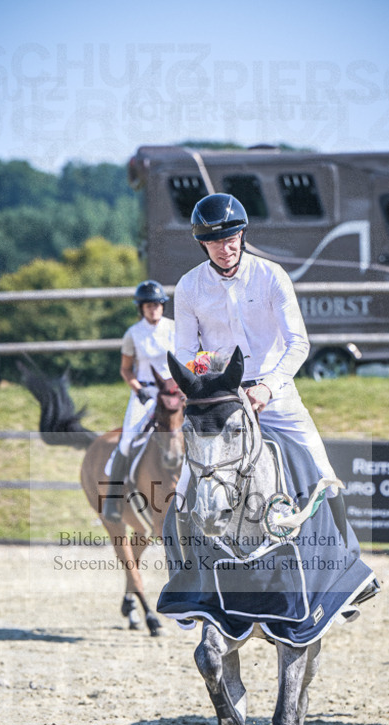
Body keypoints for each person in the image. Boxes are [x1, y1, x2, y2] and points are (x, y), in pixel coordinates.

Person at [173, 192, 343, 521]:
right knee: (183, 489)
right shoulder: (189, 286)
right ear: (203, 245)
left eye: (232, 238)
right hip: (222, 399)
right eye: (215, 242)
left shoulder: (271, 275)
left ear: (242, 235)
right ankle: (184, 565)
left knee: (325, 472)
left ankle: (346, 553)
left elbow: (298, 343)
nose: (226, 249)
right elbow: (184, 354)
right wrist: (220, 371)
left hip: (276, 395)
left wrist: (267, 387)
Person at [102, 279, 176, 523]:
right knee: (127, 440)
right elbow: (126, 369)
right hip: (145, 394)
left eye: (157, 305)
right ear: (141, 308)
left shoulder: (175, 329)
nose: (153, 309)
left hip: (173, 395)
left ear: (162, 306)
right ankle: (113, 500)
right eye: (148, 306)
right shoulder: (133, 334)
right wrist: (137, 389)